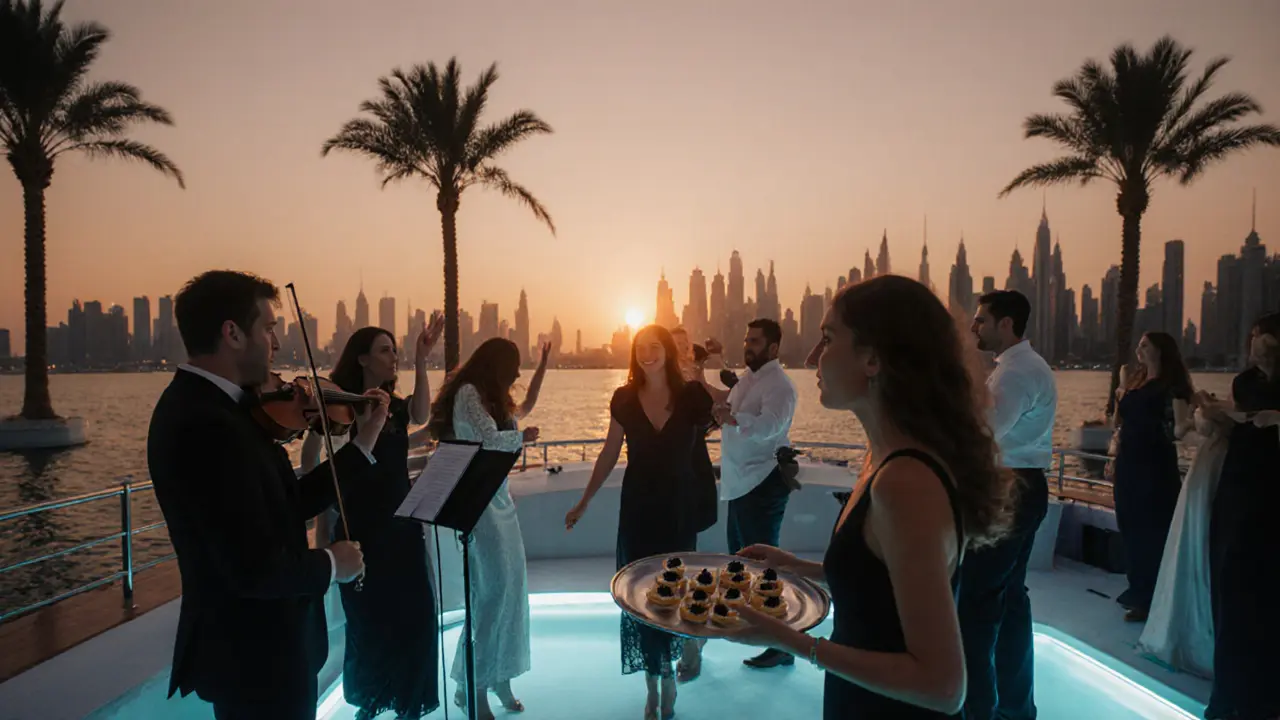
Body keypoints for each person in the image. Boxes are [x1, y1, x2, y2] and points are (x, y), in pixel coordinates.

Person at [726, 275, 1015, 719]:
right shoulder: (882, 458)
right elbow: (883, 583)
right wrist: (798, 568)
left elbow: (943, 685)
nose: (813, 357)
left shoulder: (905, 481)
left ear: (873, 359)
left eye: (828, 339)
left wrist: (793, 641)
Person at [147, 270, 388, 720]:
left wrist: (363, 443)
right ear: (232, 333)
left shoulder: (233, 411)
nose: (276, 344)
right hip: (255, 657)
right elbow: (252, 569)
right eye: (270, 328)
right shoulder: (204, 424)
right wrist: (334, 563)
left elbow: (288, 502)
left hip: (271, 652)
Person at [565, 325, 714, 720]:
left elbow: (726, 416)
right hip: (639, 510)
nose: (647, 354)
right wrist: (584, 501)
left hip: (680, 510)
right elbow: (609, 452)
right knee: (643, 598)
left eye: (654, 347)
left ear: (667, 350)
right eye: (639, 348)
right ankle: (656, 683)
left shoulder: (692, 396)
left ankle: (673, 667)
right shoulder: (625, 398)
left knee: (675, 595)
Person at [300, 315, 445, 720]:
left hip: (402, 527)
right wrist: (324, 495)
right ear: (362, 359)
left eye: (395, 350)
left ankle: (408, 705)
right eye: (386, 350)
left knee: (416, 620)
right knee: (369, 626)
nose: (392, 356)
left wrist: (420, 357)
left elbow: (422, 412)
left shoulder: (393, 408)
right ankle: (371, 702)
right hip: (361, 531)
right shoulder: (340, 406)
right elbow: (310, 457)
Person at [427, 338, 548, 720]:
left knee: (512, 591)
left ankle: (500, 677)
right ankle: (474, 686)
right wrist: (522, 438)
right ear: (496, 365)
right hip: (477, 506)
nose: (516, 374)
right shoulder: (467, 394)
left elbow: (523, 408)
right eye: (513, 366)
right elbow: (487, 439)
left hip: (501, 501)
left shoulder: (494, 399)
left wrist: (544, 365)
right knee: (490, 598)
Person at [961, 290, 1057, 720]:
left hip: (1012, 490)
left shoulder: (1016, 373)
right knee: (1010, 601)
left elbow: (983, 435)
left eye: (981, 320)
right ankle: (1016, 709)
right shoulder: (1018, 368)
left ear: (1006, 323)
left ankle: (978, 709)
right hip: (1023, 485)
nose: (974, 327)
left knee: (978, 604)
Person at [699, 318, 798, 669]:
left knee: (766, 566)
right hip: (741, 483)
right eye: (746, 339)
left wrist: (733, 419)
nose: (748, 345)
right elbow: (730, 406)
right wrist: (718, 408)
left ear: (773, 347)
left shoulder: (780, 386)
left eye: (755, 341)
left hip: (764, 482)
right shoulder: (749, 379)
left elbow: (771, 425)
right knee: (742, 560)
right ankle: (764, 630)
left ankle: (783, 644)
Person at [1205, 312, 1280, 720]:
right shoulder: (1244, 383)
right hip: (1237, 490)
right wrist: (1217, 416)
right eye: (1252, 335)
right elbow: (1238, 428)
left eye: (1262, 336)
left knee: (1265, 599)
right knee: (1229, 590)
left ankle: (1262, 698)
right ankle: (1227, 694)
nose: (1254, 342)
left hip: (1273, 497)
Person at [1138, 385, 1230, 679]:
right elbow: (1183, 431)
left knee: (1200, 539)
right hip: (1204, 470)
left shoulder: (1240, 411)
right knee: (1193, 538)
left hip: (1214, 471)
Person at [1111, 331, 1195, 622]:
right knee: (1130, 526)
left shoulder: (1171, 387)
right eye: (1139, 342)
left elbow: (1177, 429)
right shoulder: (1135, 381)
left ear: (1160, 351)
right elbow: (1119, 423)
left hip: (1154, 466)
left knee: (1153, 530)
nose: (1139, 348)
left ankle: (1153, 600)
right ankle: (1138, 591)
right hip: (1128, 463)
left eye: (1145, 344)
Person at [668, 326, 719, 682]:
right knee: (668, 563)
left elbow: (716, 414)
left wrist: (701, 377)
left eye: (686, 344)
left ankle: (691, 641)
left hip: (692, 471)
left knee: (684, 558)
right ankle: (681, 639)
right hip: (661, 478)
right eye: (676, 345)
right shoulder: (655, 385)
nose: (683, 350)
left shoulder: (698, 384)